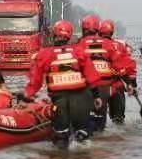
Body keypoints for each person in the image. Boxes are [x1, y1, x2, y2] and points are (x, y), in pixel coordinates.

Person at [24, 20, 100, 148]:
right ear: (69, 36)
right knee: (83, 138)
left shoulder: (44, 54)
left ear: (54, 34)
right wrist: (96, 96)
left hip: (59, 101)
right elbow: (91, 76)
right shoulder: (79, 51)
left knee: (61, 138)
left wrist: (27, 96)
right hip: (80, 99)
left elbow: (35, 81)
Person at [75, 15, 131, 132]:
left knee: (85, 121)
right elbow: (122, 66)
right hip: (107, 87)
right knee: (106, 121)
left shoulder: (78, 44)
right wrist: (130, 83)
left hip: (86, 87)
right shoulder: (112, 45)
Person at [98, 19, 138, 125]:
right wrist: (131, 84)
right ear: (112, 32)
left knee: (97, 121)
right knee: (118, 121)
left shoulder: (91, 46)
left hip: (99, 88)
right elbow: (128, 67)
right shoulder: (120, 45)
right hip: (117, 86)